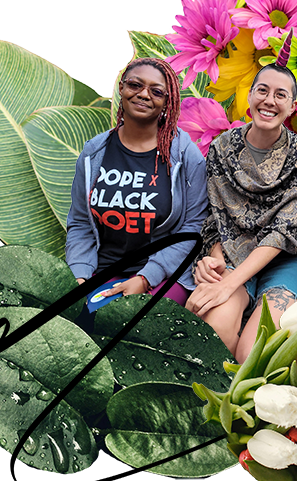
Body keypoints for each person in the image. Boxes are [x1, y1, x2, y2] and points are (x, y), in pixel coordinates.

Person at [186, 63, 297, 363]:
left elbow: (284, 232)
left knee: (254, 354)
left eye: (280, 95)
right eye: (263, 90)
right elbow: (216, 217)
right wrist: (213, 262)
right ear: (249, 96)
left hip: (284, 259)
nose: (269, 100)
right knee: (213, 334)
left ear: (292, 106)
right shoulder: (222, 149)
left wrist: (227, 286)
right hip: (234, 251)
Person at [65, 57, 208, 309]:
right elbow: (80, 223)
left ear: (167, 101)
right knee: (79, 323)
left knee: (133, 323)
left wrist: (145, 278)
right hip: (103, 270)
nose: (144, 95)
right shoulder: (94, 153)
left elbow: (192, 227)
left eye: (156, 92)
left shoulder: (186, 157)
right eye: (135, 85)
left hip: (162, 276)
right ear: (121, 88)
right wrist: (79, 275)